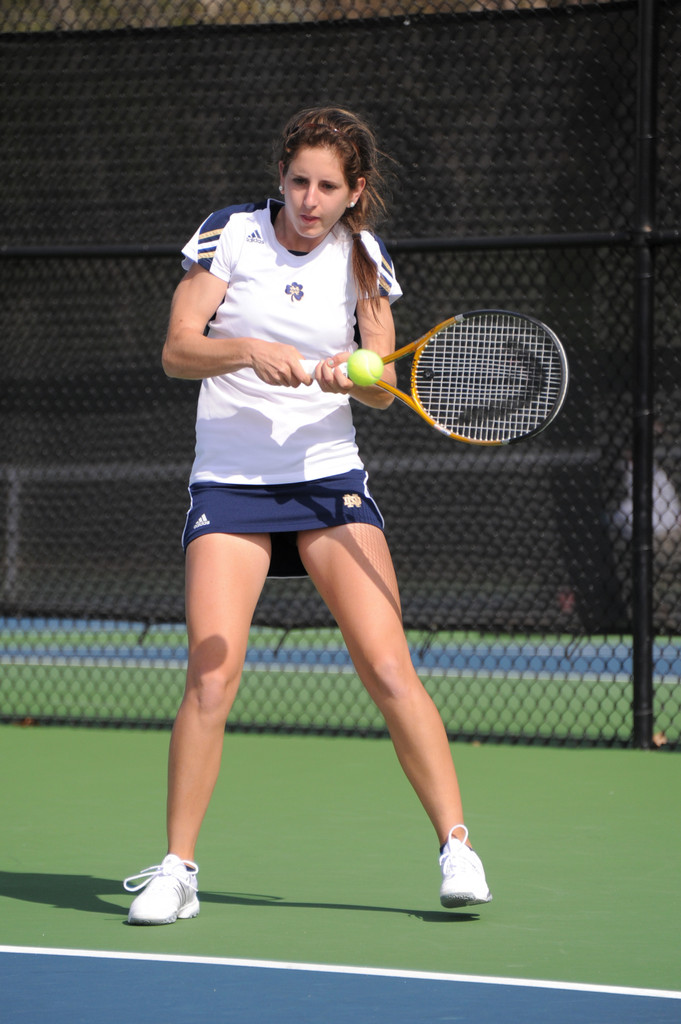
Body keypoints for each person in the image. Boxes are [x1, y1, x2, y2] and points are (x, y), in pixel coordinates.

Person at [123, 106, 492, 925]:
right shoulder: (230, 237)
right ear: (281, 177)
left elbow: (382, 387)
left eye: (329, 186)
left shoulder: (362, 258)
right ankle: (177, 870)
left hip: (328, 483)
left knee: (387, 667)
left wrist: (349, 377)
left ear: (354, 190)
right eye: (298, 181)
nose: (310, 200)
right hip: (230, 485)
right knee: (212, 674)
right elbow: (179, 347)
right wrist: (245, 349)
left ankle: (456, 848)